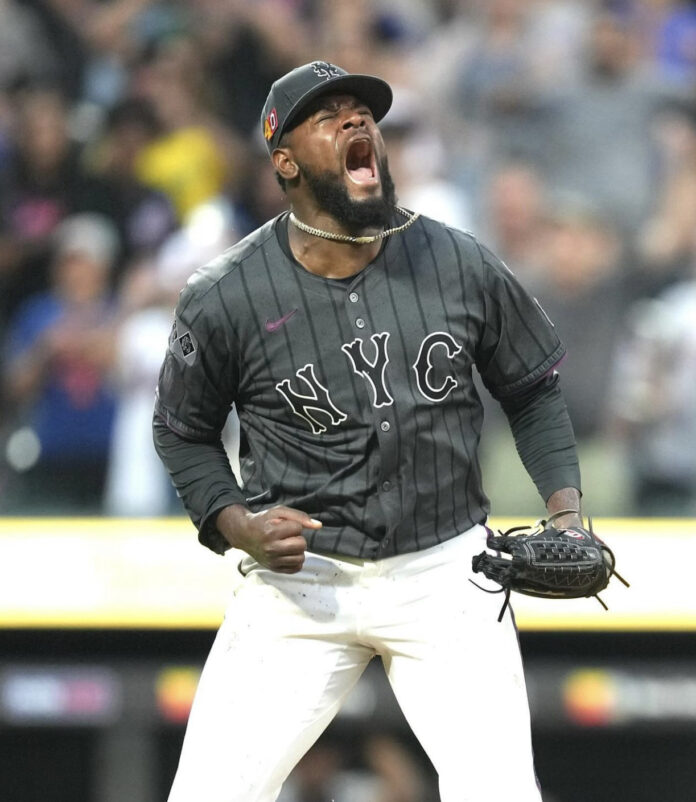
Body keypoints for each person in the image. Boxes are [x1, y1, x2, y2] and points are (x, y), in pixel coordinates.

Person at [153, 61, 583, 802]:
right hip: (302, 582)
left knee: (502, 791)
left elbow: (533, 391)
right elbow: (183, 432)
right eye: (330, 116)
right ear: (283, 160)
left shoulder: (456, 258)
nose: (359, 123)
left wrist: (569, 517)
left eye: (364, 113)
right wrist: (238, 527)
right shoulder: (225, 296)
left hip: (446, 568)